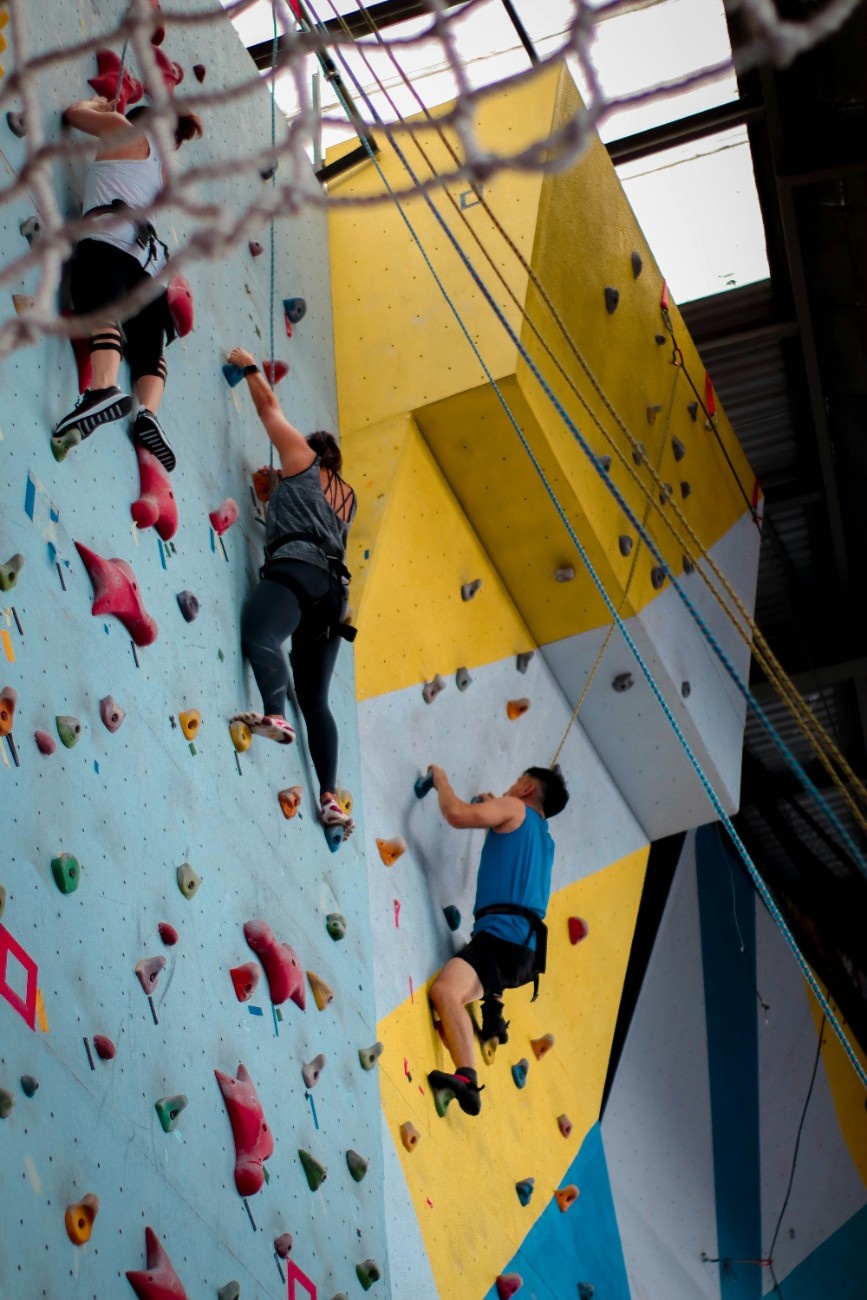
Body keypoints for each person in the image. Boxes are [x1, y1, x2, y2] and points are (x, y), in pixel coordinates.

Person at [228, 346, 357, 839]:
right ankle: (330, 798)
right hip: (332, 597)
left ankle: (276, 716)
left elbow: (268, 411)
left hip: (298, 572)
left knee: (261, 636)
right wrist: (274, 494)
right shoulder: (346, 499)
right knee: (317, 700)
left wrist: (248, 366)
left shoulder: (303, 459)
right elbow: (306, 517)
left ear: (311, 450)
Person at [52, 95, 203, 470]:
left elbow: (72, 114)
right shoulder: (163, 173)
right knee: (149, 347)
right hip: (148, 268)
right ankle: (148, 414)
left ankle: (103, 389)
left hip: (108, 242)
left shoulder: (124, 130)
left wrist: (99, 107)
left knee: (100, 305)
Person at [426, 763, 569, 1116]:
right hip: (524, 956)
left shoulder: (515, 808)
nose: (508, 789)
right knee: (451, 993)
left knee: (445, 992)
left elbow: (457, 814)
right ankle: (480, 1045)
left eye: (515, 782)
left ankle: (469, 1076)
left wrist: (440, 781)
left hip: (499, 938)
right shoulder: (545, 841)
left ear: (526, 789)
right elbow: (514, 858)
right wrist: (497, 809)